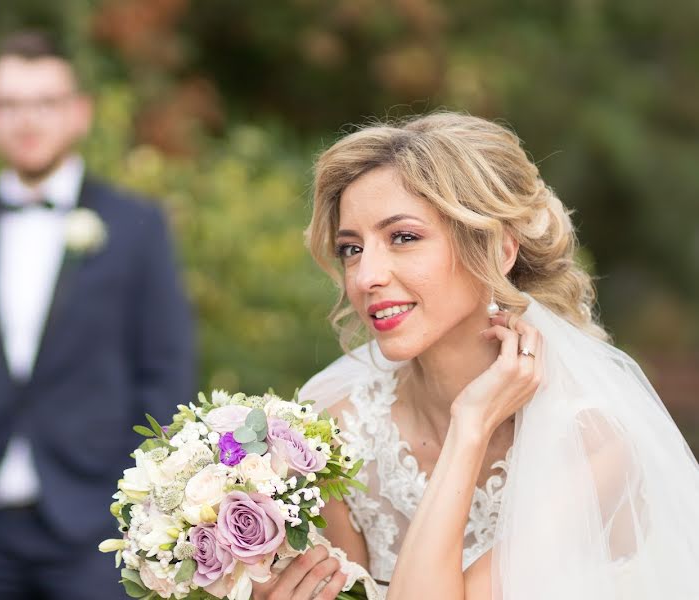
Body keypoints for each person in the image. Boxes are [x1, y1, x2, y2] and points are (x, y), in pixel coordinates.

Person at [254, 112, 699, 599]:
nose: (365, 277)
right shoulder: (336, 421)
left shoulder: (593, 442)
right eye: (351, 248)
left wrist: (470, 425)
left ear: (499, 250)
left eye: (403, 237)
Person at [0, 31, 194, 600]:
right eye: (9, 104)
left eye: (45, 103)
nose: (26, 120)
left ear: (80, 113)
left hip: (96, 525)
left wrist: (148, 507)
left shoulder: (137, 227)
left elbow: (166, 371)